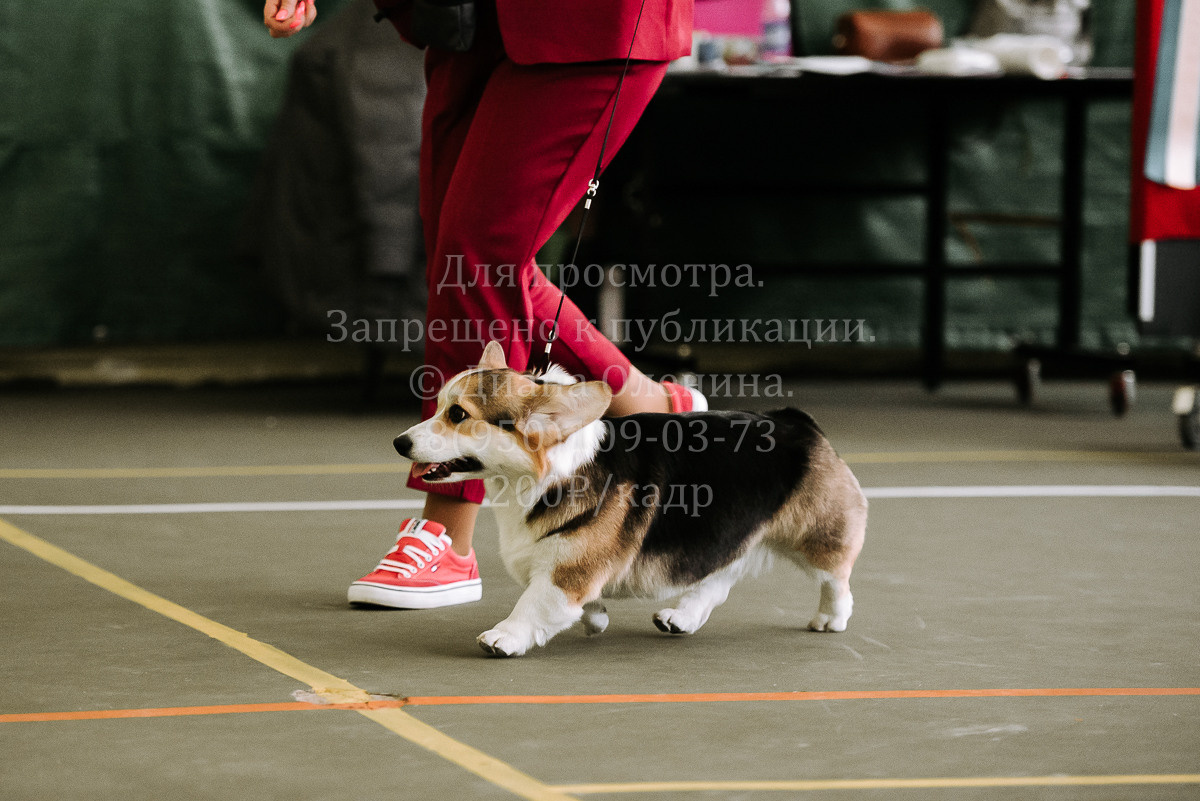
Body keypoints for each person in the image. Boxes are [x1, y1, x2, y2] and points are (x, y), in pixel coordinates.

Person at [263, 0, 701, 609]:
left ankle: (446, 536)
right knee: (467, 263)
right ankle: (653, 406)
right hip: (465, 20)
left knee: (476, 259)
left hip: (588, 24)